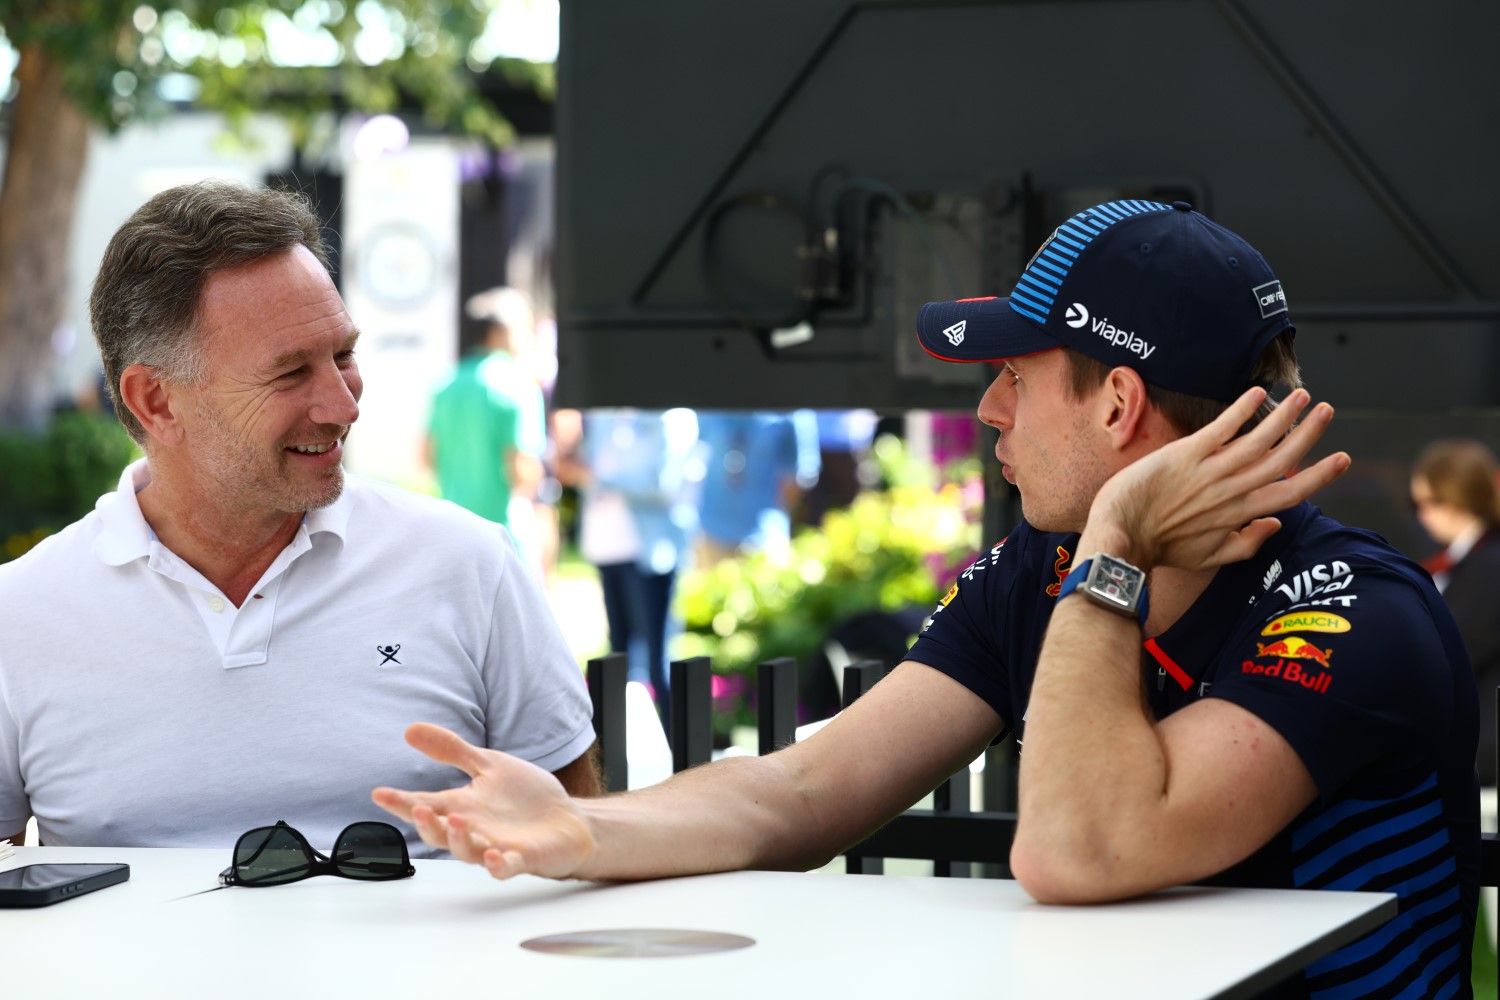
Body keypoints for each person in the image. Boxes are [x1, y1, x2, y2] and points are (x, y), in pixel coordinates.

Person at [374, 201, 1478, 998]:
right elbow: (803, 789)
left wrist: (1115, 544)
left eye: (1016, 374)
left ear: (1120, 405)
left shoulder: (1350, 609)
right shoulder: (1041, 574)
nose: (989, 410)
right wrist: (582, 827)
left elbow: (1077, 852)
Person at [0, 181, 599, 855]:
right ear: (156, 401)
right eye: (290, 374)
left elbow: (577, 847)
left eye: (343, 355)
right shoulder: (18, 614)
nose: (343, 405)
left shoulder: (469, 566)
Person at [425, 286, 548, 571]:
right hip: (506, 535)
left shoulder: (446, 383)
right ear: (498, 331)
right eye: (524, 327)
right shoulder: (518, 385)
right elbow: (524, 468)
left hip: (454, 531)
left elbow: (427, 456)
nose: (529, 337)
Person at [1412, 439, 1500, 785]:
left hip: (1485, 752)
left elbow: (1457, 650)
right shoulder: (1462, 561)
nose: (1421, 515)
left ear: (1453, 500)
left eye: (1426, 502)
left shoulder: (1489, 565)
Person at [695, 409, 820, 565]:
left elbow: (795, 478)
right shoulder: (708, 406)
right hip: (712, 531)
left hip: (764, 536)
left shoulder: (791, 413)